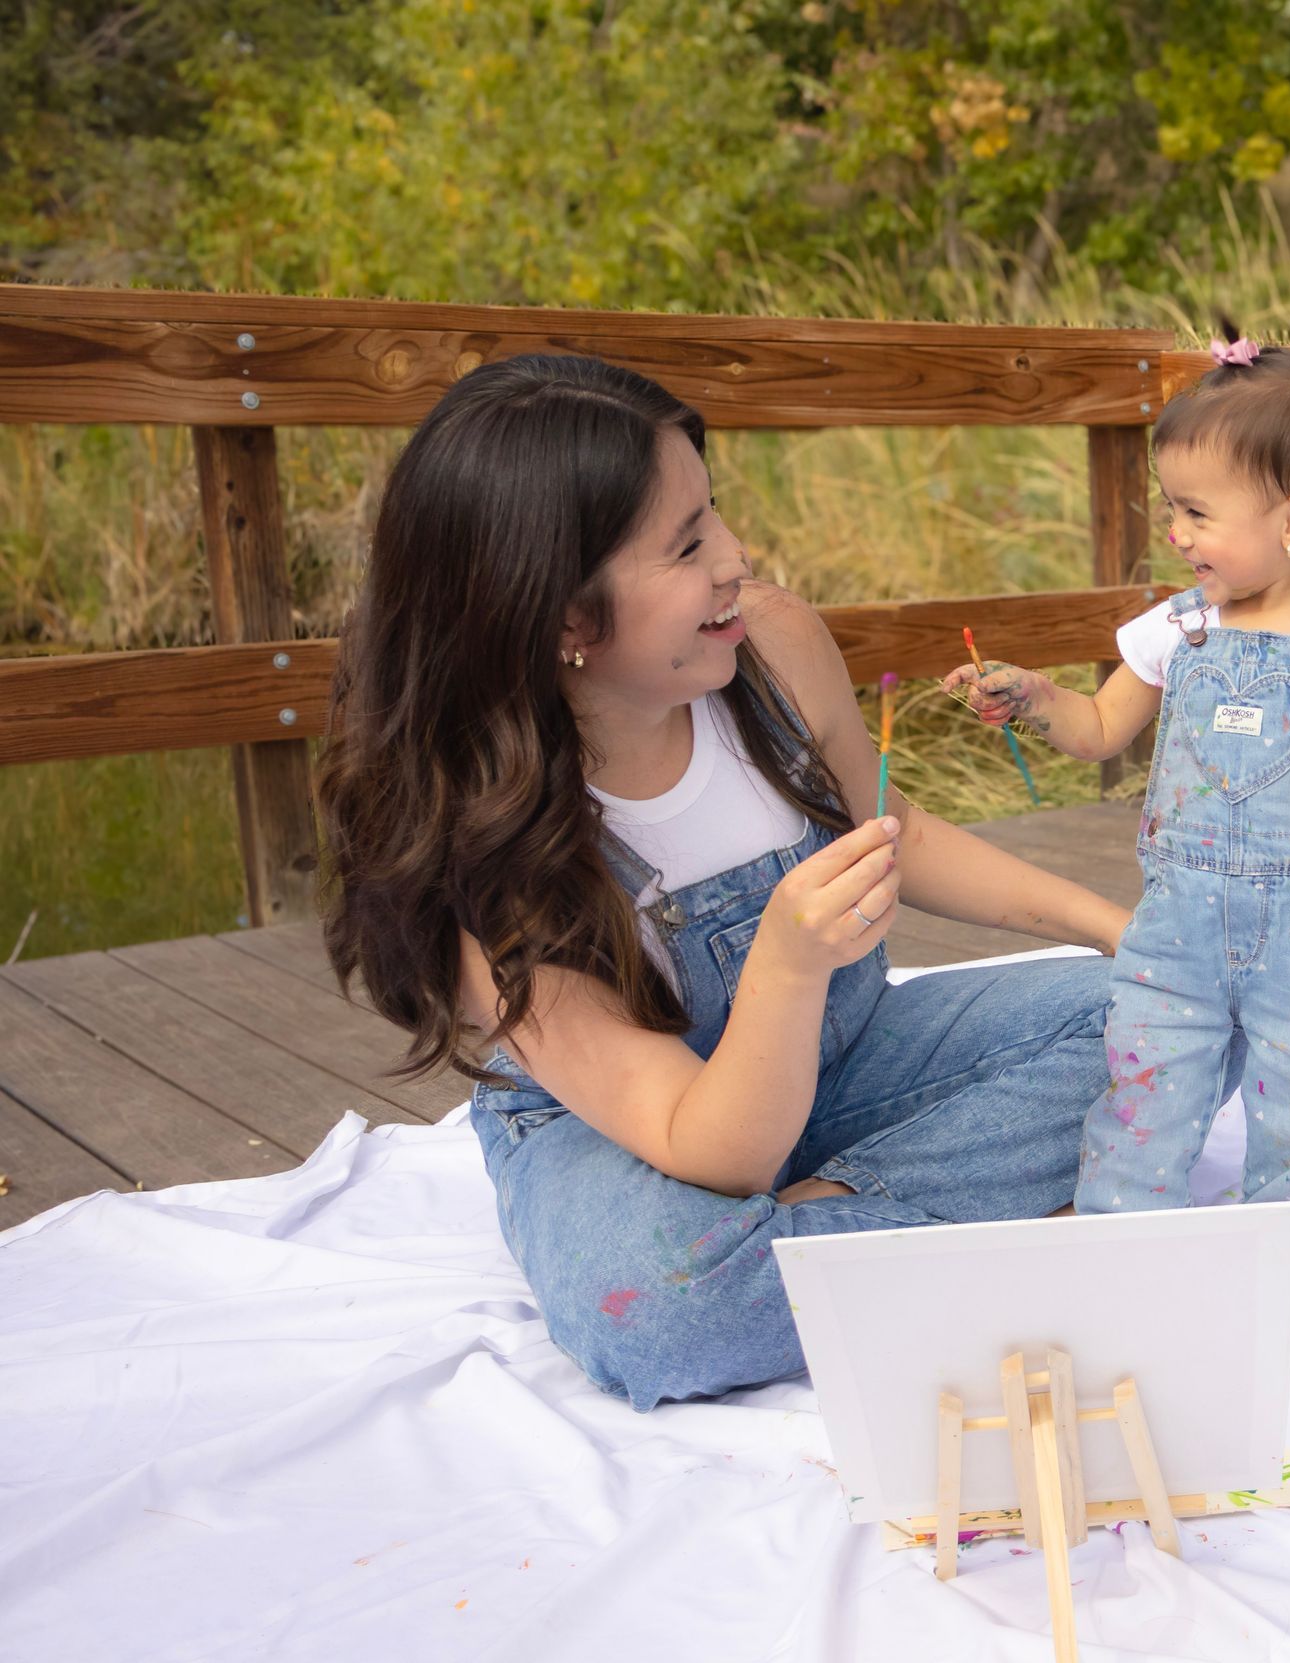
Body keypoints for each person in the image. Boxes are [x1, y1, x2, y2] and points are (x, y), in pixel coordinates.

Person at [317, 354, 1131, 1409]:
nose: (736, 560)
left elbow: (893, 829)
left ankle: (836, 1222)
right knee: (665, 1308)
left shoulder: (774, 646)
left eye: (719, 517)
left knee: (1162, 1022)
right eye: (688, 544)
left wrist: (1123, 927)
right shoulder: (478, 842)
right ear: (563, 617)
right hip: (644, 1140)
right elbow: (715, 1152)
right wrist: (786, 966)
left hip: (850, 1059)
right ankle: (948, 1227)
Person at [944, 336, 1290, 1318]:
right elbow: (1097, 728)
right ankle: (1120, 1226)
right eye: (1171, 505)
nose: (1175, 530)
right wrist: (1036, 696)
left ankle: (1275, 1241)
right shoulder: (1181, 625)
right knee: (1147, 1069)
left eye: (1197, 511)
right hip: (1179, 912)